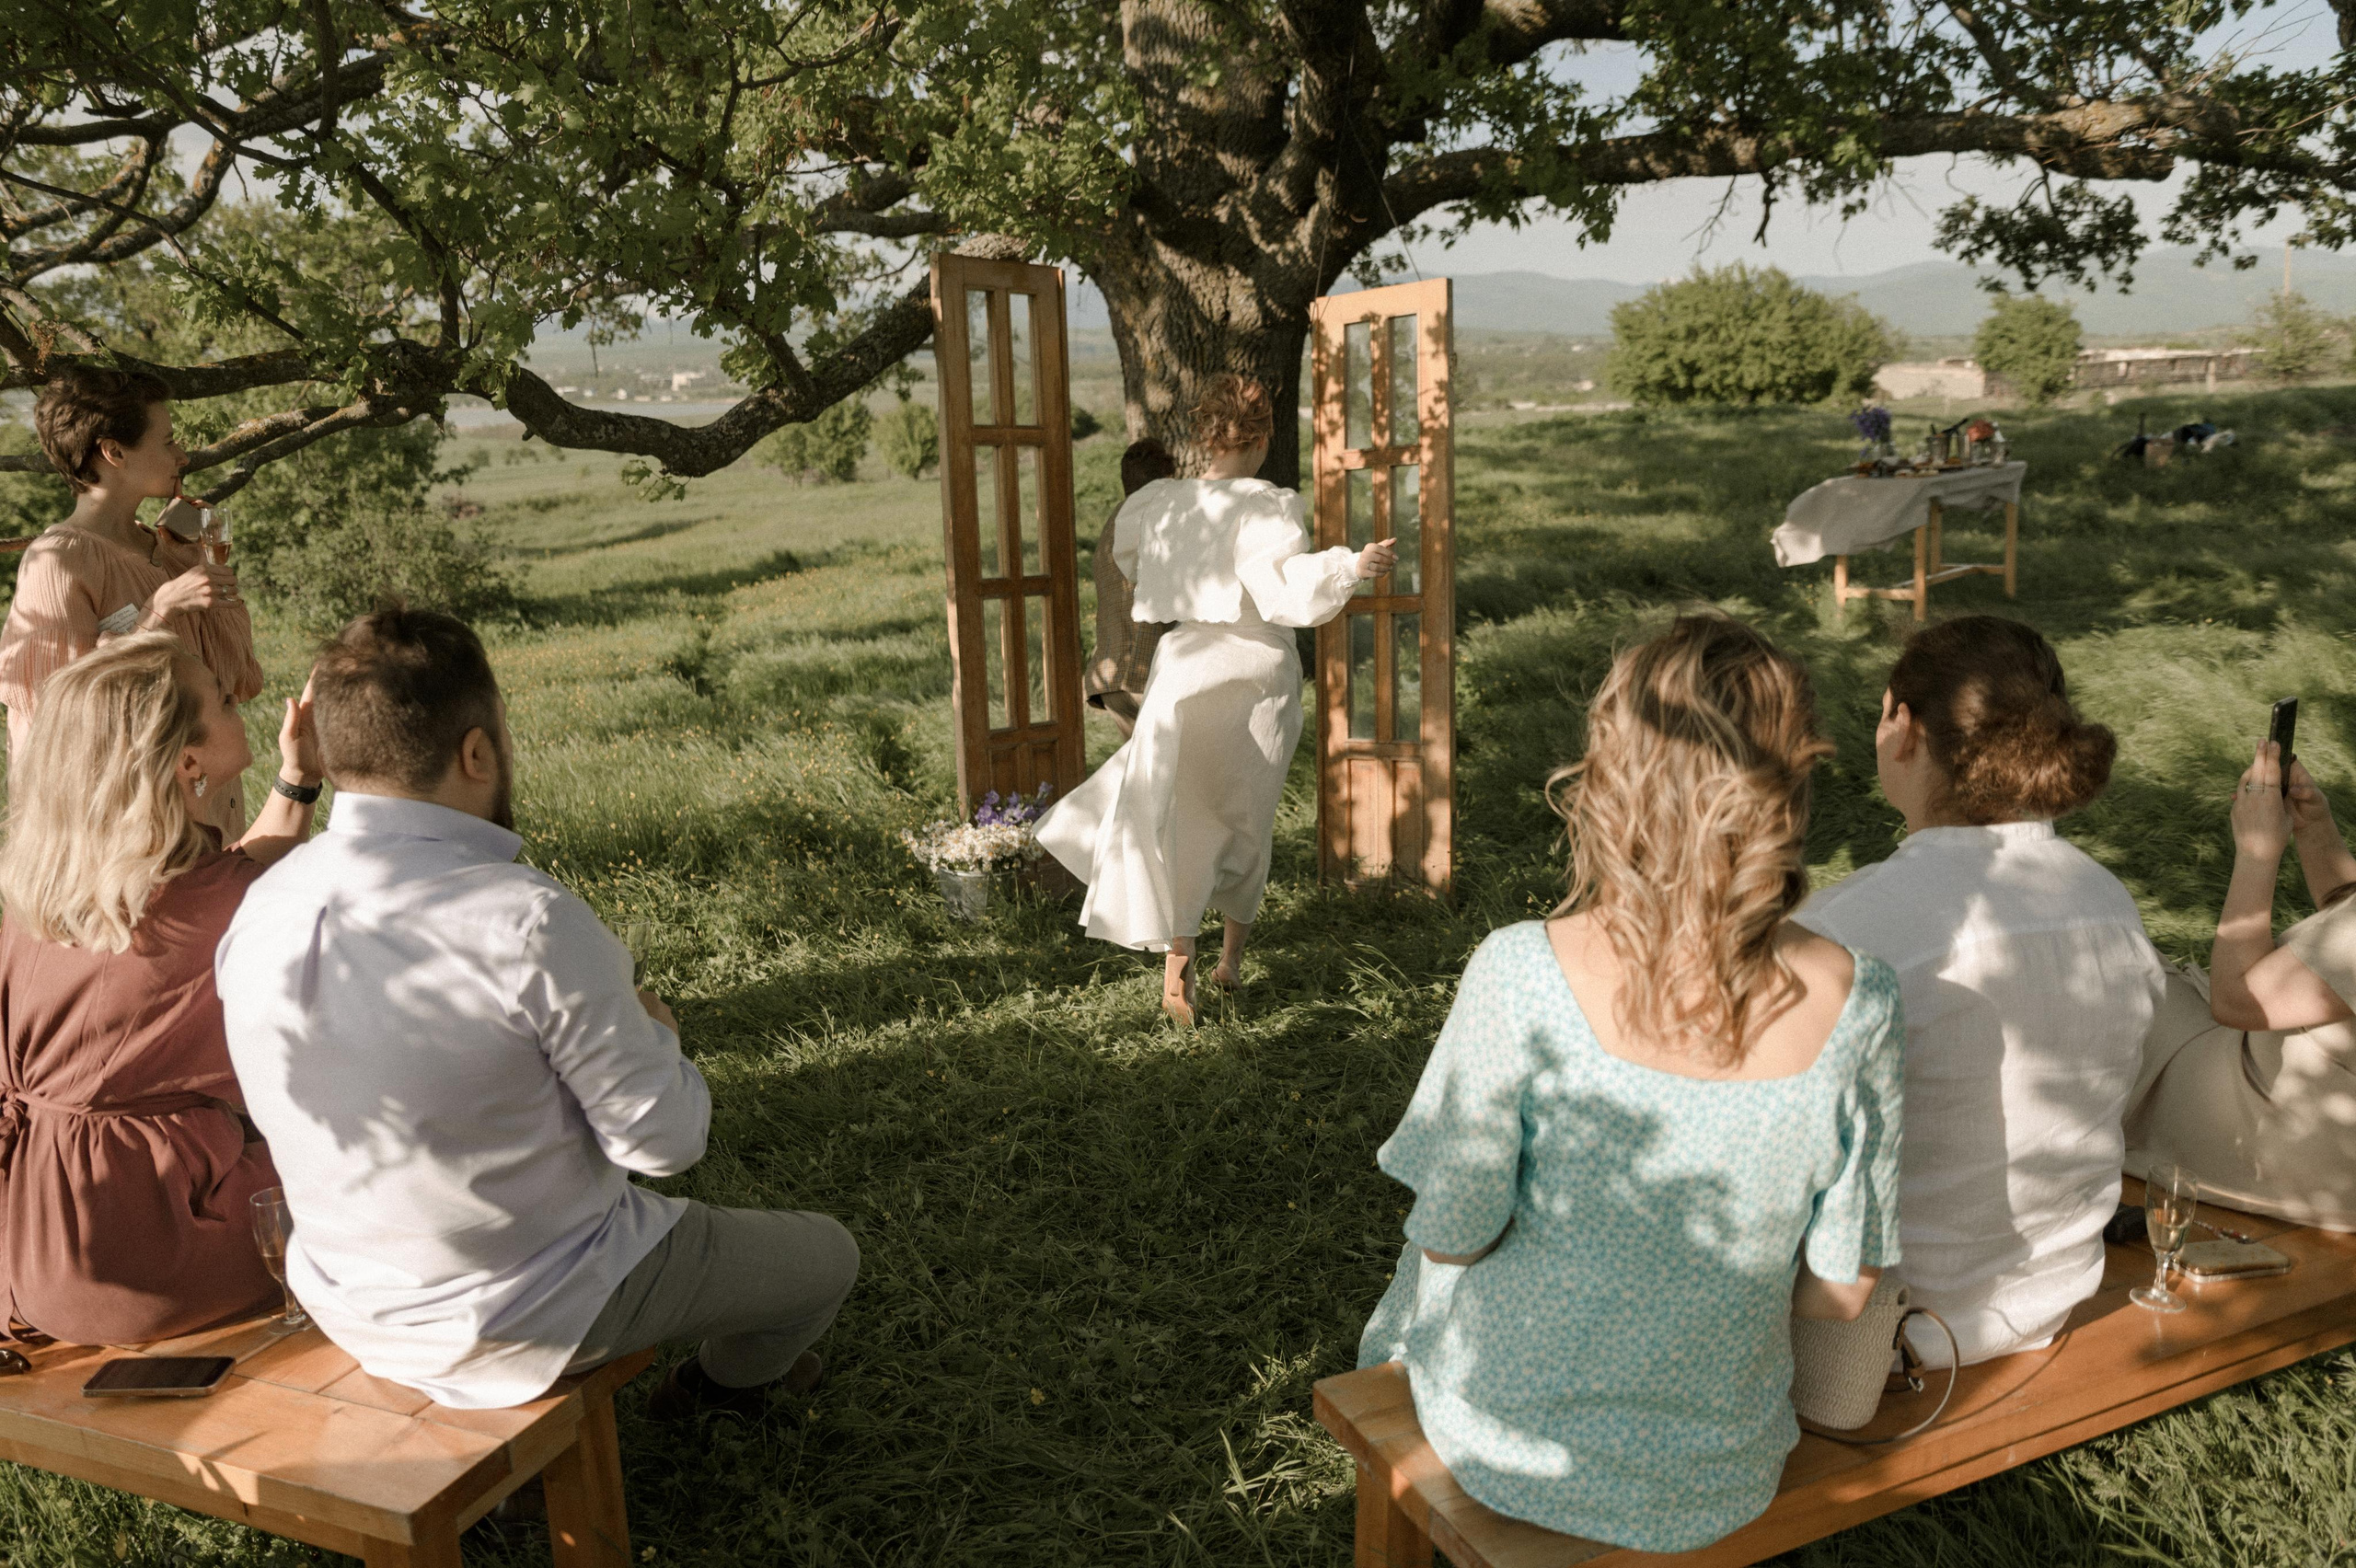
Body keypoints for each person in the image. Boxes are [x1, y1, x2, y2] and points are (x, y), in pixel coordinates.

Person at [216, 607, 859, 1412]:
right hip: (524, 1311)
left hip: (348, 1301)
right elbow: (665, 1144)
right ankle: (712, 1394)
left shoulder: (261, 904)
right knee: (828, 1258)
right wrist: (659, 1035)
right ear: (477, 752)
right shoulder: (524, 919)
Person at [1357, 614, 1903, 1554]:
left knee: (1414, 1276)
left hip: (1507, 1443)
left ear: (1612, 780)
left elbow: (1452, 1234)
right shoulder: (1862, 1000)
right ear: (1790, 783)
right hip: (1720, 1467)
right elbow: (1844, 1290)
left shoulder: (1520, 970)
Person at [1796, 616, 2166, 1367]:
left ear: (1904, 728)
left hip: (1871, 1339)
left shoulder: (1841, 928)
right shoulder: (2108, 902)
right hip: (2049, 1299)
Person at [1034, 376, 1394, 1023]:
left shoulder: (1159, 501)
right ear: (1261, 436)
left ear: (1206, 434)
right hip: (1252, 671)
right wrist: (1349, 564)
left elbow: (1135, 563)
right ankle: (1231, 960)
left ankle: (1181, 971)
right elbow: (1283, 588)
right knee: (1244, 818)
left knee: (1178, 815)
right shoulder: (1264, 503)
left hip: (1185, 666)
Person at [0, 632, 321, 1344]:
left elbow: (232, 875)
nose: (240, 704)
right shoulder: (227, 909)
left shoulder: (46, 897)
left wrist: (297, 780)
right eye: (222, 699)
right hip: (149, 1254)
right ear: (187, 763)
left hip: (33, 1242)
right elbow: (239, 891)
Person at [4, 367, 260, 827]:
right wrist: (156, 614)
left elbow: (237, 681)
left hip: (209, 826)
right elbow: (60, 719)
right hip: (125, 837)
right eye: (168, 441)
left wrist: (199, 560)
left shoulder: (170, 552)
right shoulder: (57, 563)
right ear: (114, 452)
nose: (182, 456)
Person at [2123, 738, 2356, 1228]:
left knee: (2110, 965)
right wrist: (2315, 829)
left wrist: (2256, 853)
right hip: (2326, 1150)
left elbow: (2236, 999)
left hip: (2271, 1157)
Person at [1083, 438, 1181, 737]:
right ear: (1167, 477)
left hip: (1110, 678)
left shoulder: (1114, 521)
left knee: (1140, 764)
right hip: (1145, 671)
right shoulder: (1162, 515)